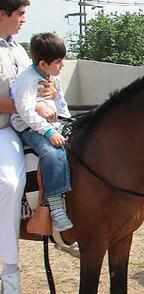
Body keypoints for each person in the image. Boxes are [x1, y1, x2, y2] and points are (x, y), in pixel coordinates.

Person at [0, 1, 57, 292]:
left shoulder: (19, 50)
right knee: (10, 183)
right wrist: (30, 106)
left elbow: (37, 83)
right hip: (3, 129)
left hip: (21, 125)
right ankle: (9, 270)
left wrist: (51, 90)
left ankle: (56, 220)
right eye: (20, 14)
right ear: (2, 13)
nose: (24, 20)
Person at [11, 32, 72, 232]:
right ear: (44, 64)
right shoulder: (25, 80)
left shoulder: (53, 77)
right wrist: (48, 133)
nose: (62, 65)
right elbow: (25, 111)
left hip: (52, 125)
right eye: (58, 61)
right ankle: (55, 206)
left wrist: (68, 123)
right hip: (29, 127)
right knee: (52, 152)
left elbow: (61, 104)